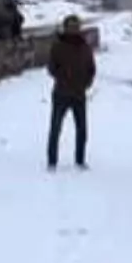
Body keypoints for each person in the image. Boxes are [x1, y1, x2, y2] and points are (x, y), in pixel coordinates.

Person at [46, 14, 96, 171]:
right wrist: (62, 78)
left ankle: (80, 160)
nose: (74, 29)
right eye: (71, 26)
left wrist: (86, 83)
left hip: (79, 94)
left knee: (82, 130)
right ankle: (52, 161)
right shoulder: (58, 45)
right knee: (55, 128)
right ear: (65, 27)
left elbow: (91, 68)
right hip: (61, 93)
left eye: (76, 26)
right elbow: (51, 66)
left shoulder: (84, 46)